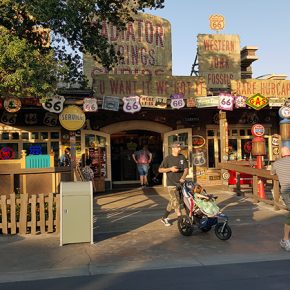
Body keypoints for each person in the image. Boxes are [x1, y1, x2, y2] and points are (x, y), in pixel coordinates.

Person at [158, 141, 189, 226]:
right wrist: (170, 169)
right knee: (176, 202)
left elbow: (186, 169)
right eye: (178, 147)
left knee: (174, 201)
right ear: (173, 148)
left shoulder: (182, 157)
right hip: (171, 184)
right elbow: (160, 170)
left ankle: (164, 218)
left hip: (181, 183)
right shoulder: (167, 158)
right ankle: (180, 220)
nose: (180, 148)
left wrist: (183, 178)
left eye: (180, 147)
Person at [271, 146, 290, 251]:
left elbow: (272, 173)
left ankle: (285, 240)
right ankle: (285, 239)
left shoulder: (277, 163)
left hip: (286, 191)